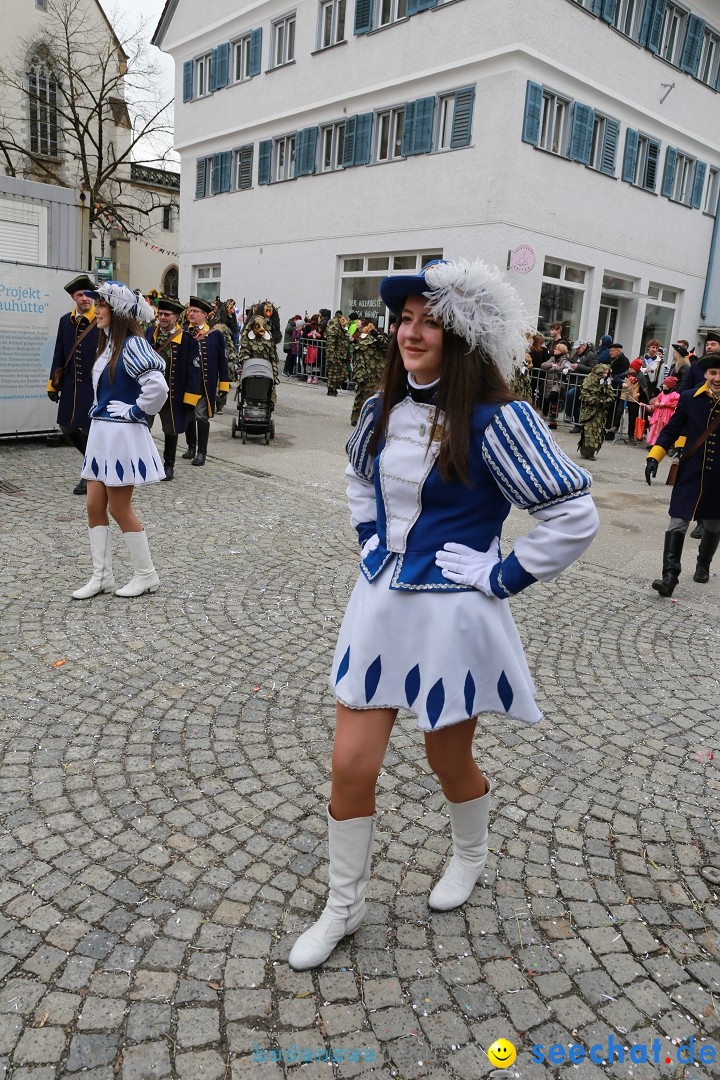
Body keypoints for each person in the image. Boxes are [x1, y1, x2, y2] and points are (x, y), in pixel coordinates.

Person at [287, 257, 599, 971]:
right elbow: (357, 478)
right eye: (405, 319)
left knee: (445, 755)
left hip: (451, 619)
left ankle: (470, 854)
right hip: (380, 606)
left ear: (462, 337)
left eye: (431, 321)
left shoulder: (499, 420)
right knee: (349, 765)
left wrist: (501, 573)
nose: (412, 332)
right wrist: (371, 543)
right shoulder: (379, 408)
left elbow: (574, 515)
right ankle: (344, 905)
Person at [73, 281, 167, 600]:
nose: (96, 310)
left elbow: (158, 388)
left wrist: (135, 409)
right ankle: (102, 577)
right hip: (102, 433)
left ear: (117, 311)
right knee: (93, 504)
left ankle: (146, 574)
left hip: (120, 435)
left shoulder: (131, 344)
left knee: (119, 507)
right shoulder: (110, 344)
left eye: (101, 306)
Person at [645, 352, 720, 594]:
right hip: (690, 472)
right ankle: (669, 577)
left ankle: (703, 564)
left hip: (718, 478)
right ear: (706, 375)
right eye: (713, 373)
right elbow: (670, 431)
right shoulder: (689, 398)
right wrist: (654, 457)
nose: (718, 378)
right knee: (678, 521)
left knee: (713, 525)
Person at [48, 274, 100, 495]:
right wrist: (53, 385)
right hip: (70, 385)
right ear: (73, 297)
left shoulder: (101, 320)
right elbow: (59, 352)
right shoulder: (64, 321)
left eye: (88, 295)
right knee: (67, 427)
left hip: (93, 386)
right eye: (80, 295)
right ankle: (95, 465)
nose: (85, 299)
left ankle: (88, 476)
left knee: (89, 430)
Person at [145, 298, 201, 481]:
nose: (162, 317)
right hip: (148, 392)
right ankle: (144, 462)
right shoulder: (149, 333)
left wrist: (190, 398)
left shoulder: (187, 340)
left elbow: (194, 371)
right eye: (160, 314)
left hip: (172, 395)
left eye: (167, 315)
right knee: (141, 428)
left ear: (176, 317)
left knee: (171, 429)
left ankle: (168, 466)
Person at [182, 297, 230, 466]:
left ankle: (202, 452)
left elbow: (223, 362)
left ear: (204, 315)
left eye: (195, 312)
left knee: (201, 416)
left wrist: (224, 384)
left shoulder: (215, 335)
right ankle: (191, 447)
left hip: (204, 383)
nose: (191, 314)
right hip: (187, 383)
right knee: (188, 417)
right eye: (190, 311)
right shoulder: (183, 333)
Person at [349, 322, 389, 425]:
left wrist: (360, 375)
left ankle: (358, 418)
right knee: (366, 396)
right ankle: (359, 418)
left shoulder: (376, 342)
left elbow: (386, 345)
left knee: (364, 396)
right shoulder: (366, 343)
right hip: (372, 373)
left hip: (372, 373)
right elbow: (359, 360)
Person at [577, 363, 615, 460]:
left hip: (601, 412)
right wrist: (595, 401)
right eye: (604, 373)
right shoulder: (590, 380)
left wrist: (605, 402)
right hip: (590, 410)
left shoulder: (607, 382)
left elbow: (611, 395)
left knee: (598, 432)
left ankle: (592, 451)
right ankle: (586, 450)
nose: (606, 375)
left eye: (607, 373)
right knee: (589, 430)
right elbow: (584, 393)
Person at [567, 340, 598, 431]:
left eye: (579, 348)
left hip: (583, 383)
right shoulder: (576, 355)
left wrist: (578, 367)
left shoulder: (592, 355)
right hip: (574, 381)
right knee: (574, 402)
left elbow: (593, 369)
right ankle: (577, 423)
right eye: (576, 348)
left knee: (570, 395)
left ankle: (570, 416)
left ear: (584, 346)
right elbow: (572, 362)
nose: (577, 350)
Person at [622, 359, 651, 446]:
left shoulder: (641, 376)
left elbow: (644, 388)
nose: (630, 369)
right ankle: (615, 428)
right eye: (630, 367)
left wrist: (639, 393)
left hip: (635, 399)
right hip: (625, 396)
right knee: (619, 410)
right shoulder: (627, 373)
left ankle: (631, 435)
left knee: (632, 417)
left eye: (632, 368)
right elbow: (619, 377)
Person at [646, 375, 679, 447]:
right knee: (655, 428)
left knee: (663, 429)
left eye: (664, 384)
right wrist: (657, 403)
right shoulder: (662, 393)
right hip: (659, 413)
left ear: (669, 386)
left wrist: (665, 404)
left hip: (667, 414)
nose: (663, 385)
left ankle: (661, 444)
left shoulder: (675, 395)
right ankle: (653, 443)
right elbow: (658, 400)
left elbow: (675, 404)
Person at [326, 310, 351, 396]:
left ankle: (335, 386)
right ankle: (331, 389)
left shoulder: (342, 328)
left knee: (344, 374)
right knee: (333, 372)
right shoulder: (334, 328)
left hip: (343, 355)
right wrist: (331, 356)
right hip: (335, 354)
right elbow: (331, 343)